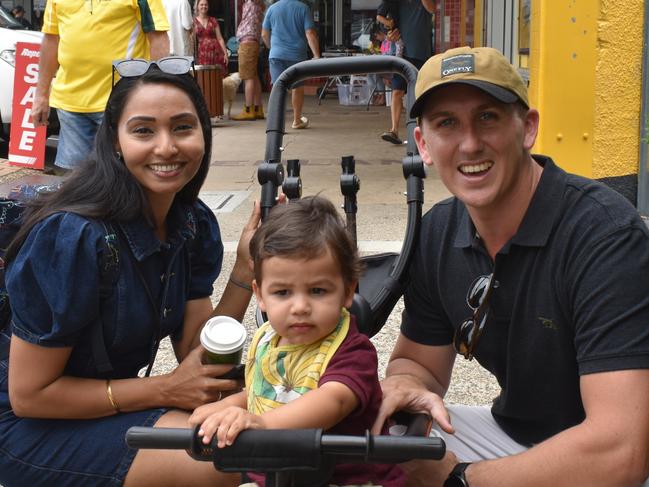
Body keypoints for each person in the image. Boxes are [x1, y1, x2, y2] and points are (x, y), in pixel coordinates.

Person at [371, 46, 649, 487]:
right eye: (447, 123)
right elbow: (417, 365)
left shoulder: (603, 234)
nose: (469, 143)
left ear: (528, 128)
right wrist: (405, 387)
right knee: (372, 446)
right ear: (423, 144)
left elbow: (622, 449)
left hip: (619, 456)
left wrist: (462, 480)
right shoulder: (438, 232)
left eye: (488, 117)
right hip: (516, 436)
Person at [0, 61, 261, 487]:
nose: (166, 147)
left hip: (109, 406)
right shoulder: (73, 238)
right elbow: (30, 396)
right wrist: (164, 390)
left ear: (204, 136)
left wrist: (245, 272)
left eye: (182, 128)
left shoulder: (190, 222)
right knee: (217, 460)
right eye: (143, 130)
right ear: (116, 142)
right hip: (26, 428)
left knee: (255, 428)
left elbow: (197, 354)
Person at [190, 196, 405, 486]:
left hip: (345, 478)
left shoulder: (352, 351)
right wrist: (229, 409)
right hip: (278, 475)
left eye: (317, 291)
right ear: (260, 295)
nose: (300, 306)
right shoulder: (269, 341)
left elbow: (333, 401)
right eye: (282, 292)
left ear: (347, 291)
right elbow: (265, 391)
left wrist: (263, 424)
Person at [31, 0, 170, 174]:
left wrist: (157, 94)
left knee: (123, 178)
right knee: (75, 181)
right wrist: (41, 95)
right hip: (70, 103)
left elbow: (158, 37)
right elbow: (51, 40)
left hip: (121, 102)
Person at [380, 0, 434, 146]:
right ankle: (394, 130)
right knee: (397, 91)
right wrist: (389, 32)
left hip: (420, 53)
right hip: (401, 51)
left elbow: (432, 9)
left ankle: (422, 130)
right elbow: (384, 19)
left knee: (419, 93)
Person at [262, 0, 320, 130]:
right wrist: (316, 55)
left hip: (276, 55)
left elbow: (264, 34)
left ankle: (276, 124)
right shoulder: (303, 8)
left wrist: (272, 48)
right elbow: (310, 33)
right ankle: (296, 120)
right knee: (297, 87)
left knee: (278, 88)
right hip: (297, 56)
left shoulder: (272, 8)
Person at [232, 0, 266, 121]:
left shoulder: (251, 3)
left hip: (247, 42)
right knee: (254, 76)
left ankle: (248, 109)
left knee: (248, 77)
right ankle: (258, 108)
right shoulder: (258, 4)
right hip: (254, 41)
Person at [193, 0, 228, 72]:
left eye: (206, 5)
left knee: (218, 76)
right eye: (201, 5)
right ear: (197, 7)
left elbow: (220, 38)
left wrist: (225, 54)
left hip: (216, 51)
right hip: (202, 53)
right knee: (204, 76)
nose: (204, 6)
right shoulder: (193, 22)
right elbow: (192, 41)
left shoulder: (213, 20)